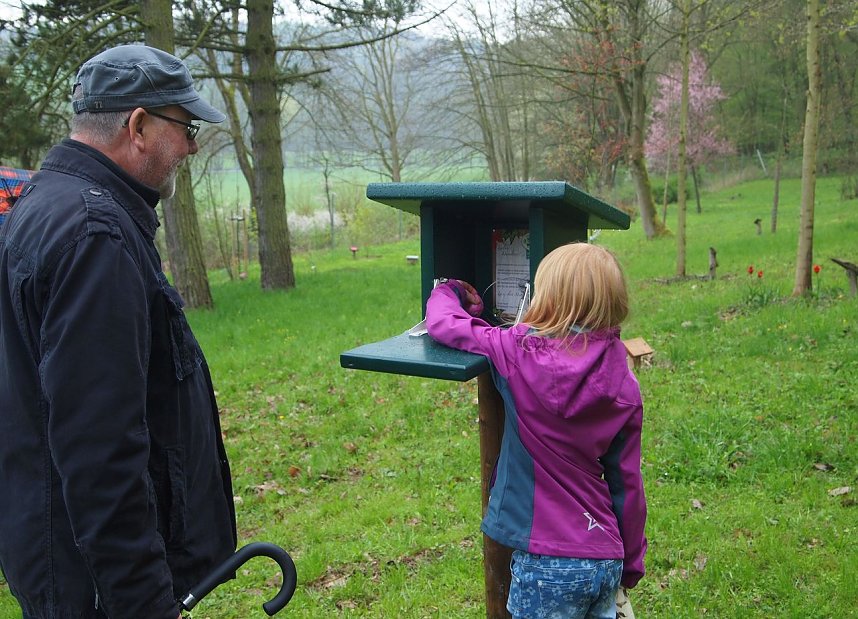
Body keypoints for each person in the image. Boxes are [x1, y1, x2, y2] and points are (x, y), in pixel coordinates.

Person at [0, 45, 236, 619]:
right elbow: (100, 450)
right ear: (138, 126)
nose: (192, 147)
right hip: (92, 582)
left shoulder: (45, 203)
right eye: (185, 128)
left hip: (55, 550)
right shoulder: (95, 236)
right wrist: (142, 601)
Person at [425, 243, 647, 619]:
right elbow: (627, 484)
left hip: (547, 563)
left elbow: (445, 324)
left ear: (548, 298)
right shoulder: (623, 379)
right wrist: (631, 564)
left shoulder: (517, 351)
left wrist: (451, 290)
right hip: (605, 554)